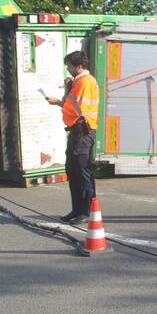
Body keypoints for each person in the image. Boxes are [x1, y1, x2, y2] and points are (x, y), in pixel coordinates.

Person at [45, 51, 99, 225]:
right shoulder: (78, 82)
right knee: (73, 171)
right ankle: (76, 209)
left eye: (69, 66)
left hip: (83, 131)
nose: (68, 69)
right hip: (77, 132)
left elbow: (77, 109)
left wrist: (59, 102)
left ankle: (86, 211)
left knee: (82, 172)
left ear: (79, 67)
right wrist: (68, 90)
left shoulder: (85, 82)